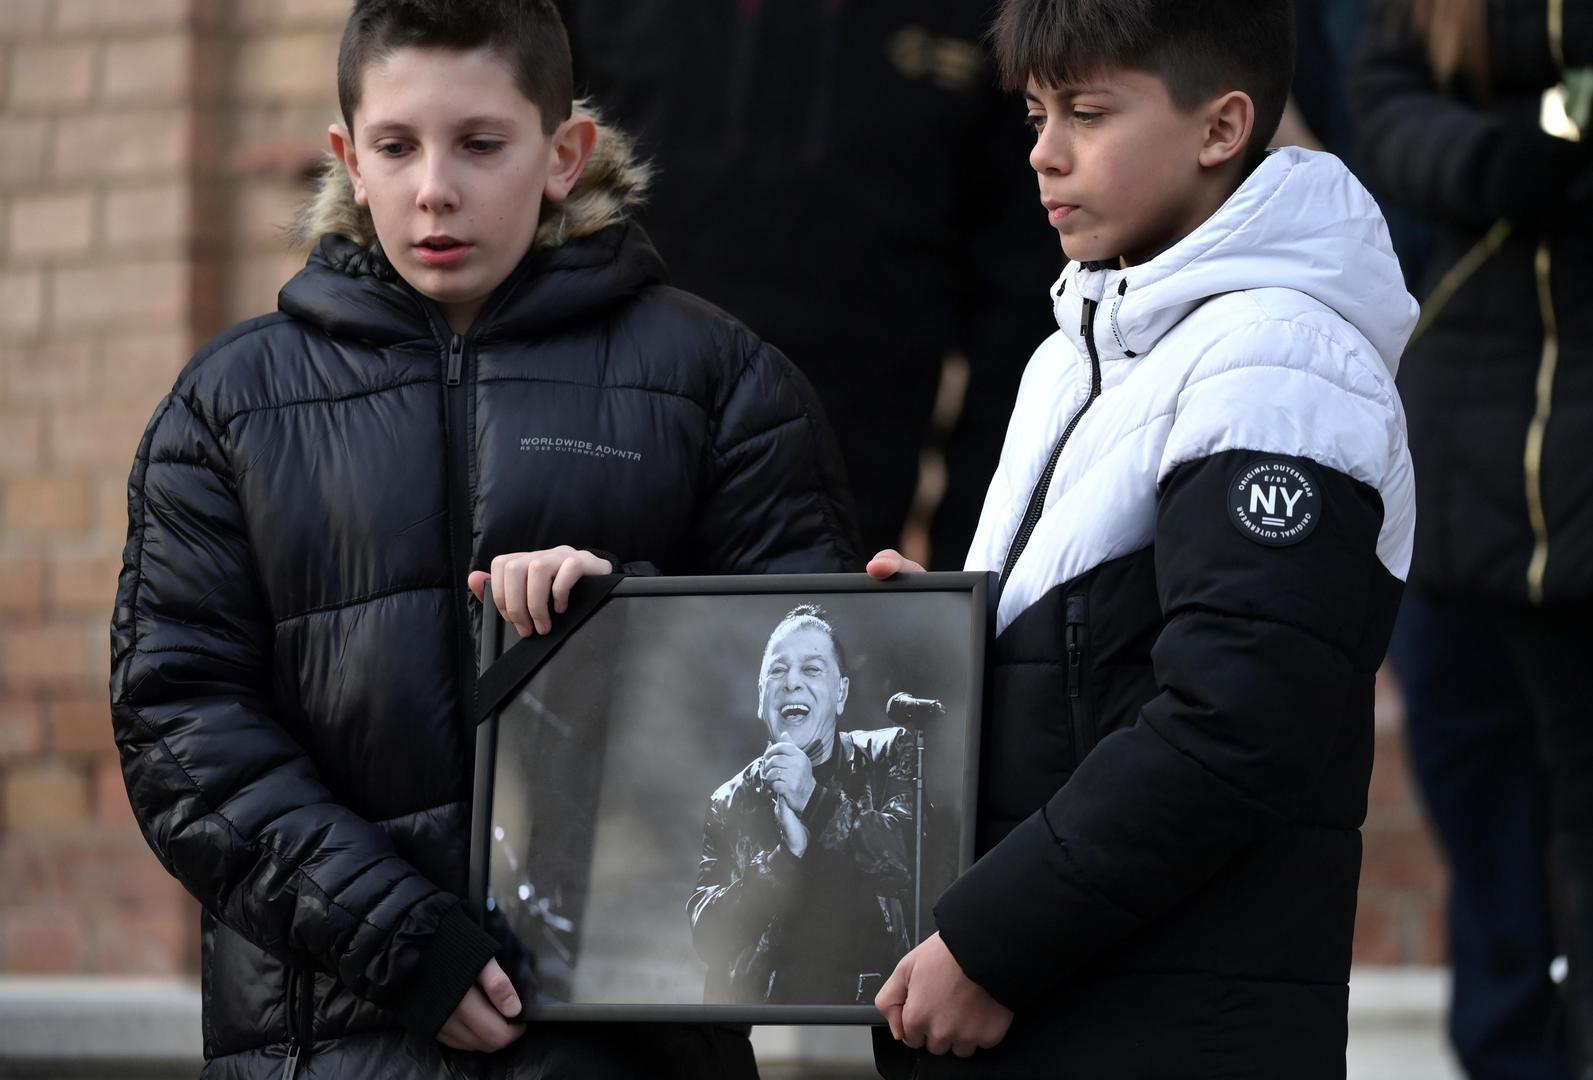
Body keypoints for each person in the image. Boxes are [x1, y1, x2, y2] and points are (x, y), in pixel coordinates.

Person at [107, 1, 858, 1077]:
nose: (434, 189)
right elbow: (178, 727)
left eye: (479, 144)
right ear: (348, 161)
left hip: (626, 1054)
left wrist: (635, 618)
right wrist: (399, 943)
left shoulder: (721, 382)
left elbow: (815, 688)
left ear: (565, 154)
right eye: (396, 147)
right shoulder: (228, 407)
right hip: (329, 1043)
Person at [865, 0, 1418, 1074]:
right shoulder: (1078, 346)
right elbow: (1097, 665)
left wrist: (989, 946)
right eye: (1035, 115)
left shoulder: (1279, 359)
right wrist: (949, 642)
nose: (1044, 152)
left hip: (1168, 1023)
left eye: (1087, 113)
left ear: (1221, 128)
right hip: (1076, 1001)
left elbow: (1237, 717)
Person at [557, 1, 1063, 563]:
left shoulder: (983, 16)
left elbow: (1022, 318)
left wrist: (975, 566)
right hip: (591, 507)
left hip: (847, 525)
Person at [1354, 1, 1593, 1076]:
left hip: (1561, 455)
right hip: (1462, 446)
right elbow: (1380, 99)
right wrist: (1489, 162)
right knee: (1475, 771)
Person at [689, 605, 916, 1006]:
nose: (792, 682)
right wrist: (785, 858)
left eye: (811, 669)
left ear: (840, 693)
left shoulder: (888, 754)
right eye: (778, 671)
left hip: (871, 1018)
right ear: (761, 697)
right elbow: (708, 937)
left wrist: (814, 800)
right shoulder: (730, 800)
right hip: (762, 1020)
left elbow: (906, 867)